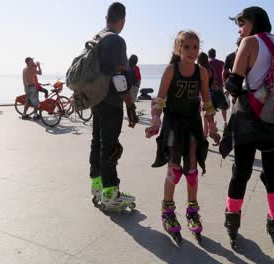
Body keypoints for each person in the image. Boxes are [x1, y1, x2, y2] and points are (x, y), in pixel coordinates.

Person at [220, 6, 274, 253]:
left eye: (241, 23)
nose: (240, 29)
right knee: (273, 174)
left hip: (251, 119)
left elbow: (234, 85)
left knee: (241, 172)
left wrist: (230, 83)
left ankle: (232, 221)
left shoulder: (249, 42)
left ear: (252, 21)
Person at [146, 31, 219, 242]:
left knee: (192, 171)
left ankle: (192, 211)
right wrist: (155, 121)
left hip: (193, 125)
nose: (191, 51)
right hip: (173, 124)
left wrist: (212, 126)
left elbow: (207, 103)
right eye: (186, 47)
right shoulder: (171, 70)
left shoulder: (202, 72)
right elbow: (159, 100)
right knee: (174, 169)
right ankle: (167, 209)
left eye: (195, 47)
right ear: (178, 49)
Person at [89, 2, 136, 211]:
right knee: (110, 146)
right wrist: (130, 107)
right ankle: (111, 194)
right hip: (110, 102)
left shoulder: (96, 37)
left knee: (97, 143)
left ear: (106, 18)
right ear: (123, 19)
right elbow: (120, 78)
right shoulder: (116, 41)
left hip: (96, 99)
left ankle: (97, 187)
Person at [208, 48, 229, 128]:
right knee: (223, 105)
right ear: (215, 54)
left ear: (209, 55)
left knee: (211, 107)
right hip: (220, 87)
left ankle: (213, 124)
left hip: (211, 88)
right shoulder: (221, 63)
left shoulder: (207, 64)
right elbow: (227, 74)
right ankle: (225, 122)